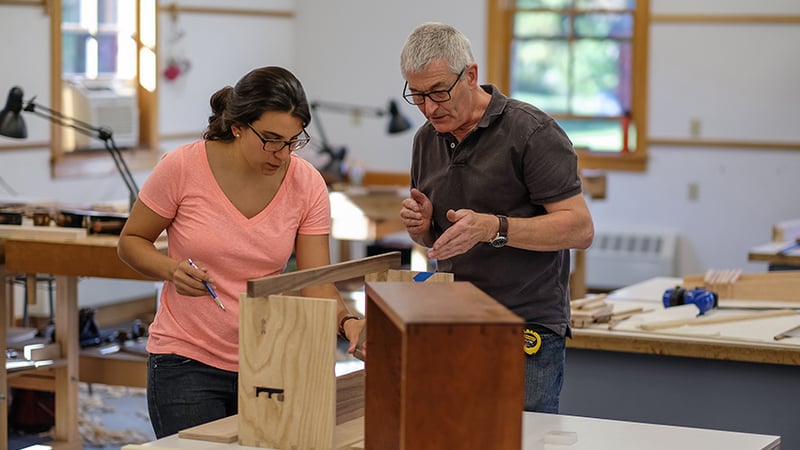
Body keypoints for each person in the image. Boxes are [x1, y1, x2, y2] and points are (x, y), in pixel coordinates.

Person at [117, 66, 365, 438]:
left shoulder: (307, 183)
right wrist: (171, 270)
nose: (282, 154)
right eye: (271, 140)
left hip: (265, 359)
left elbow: (316, 282)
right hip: (185, 361)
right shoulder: (182, 167)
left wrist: (348, 323)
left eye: (293, 141)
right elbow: (131, 242)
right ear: (237, 127)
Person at [398, 23, 594, 413]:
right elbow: (439, 241)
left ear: (470, 75)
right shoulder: (425, 139)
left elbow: (580, 228)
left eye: (439, 92)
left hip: (524, 325)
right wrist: (423, 229)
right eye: (417, 95)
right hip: (451, 320)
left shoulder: (531, 132)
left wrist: (494, 227)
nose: (430, 108)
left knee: (524, 436)